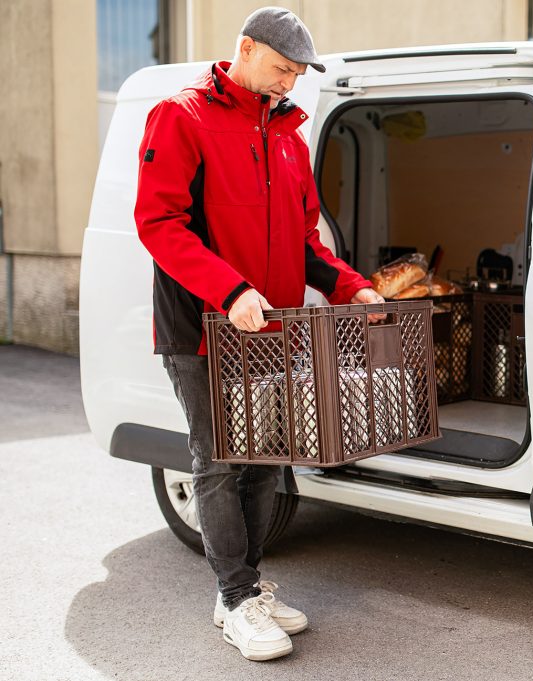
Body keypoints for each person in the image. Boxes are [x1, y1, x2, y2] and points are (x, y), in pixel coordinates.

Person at [134, 7, 384, 661]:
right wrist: (231, 289)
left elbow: (303, 244)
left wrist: (350, 286)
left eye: (298, 74)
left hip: (271, 330)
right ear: (245, 50)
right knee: (219, 462)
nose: (288, 83)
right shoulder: (181, 116)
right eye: (281, 68)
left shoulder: (288, 137)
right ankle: (236, 597)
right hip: (202, 327)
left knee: (268, 457)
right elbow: (159, 224)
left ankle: (246, 589)